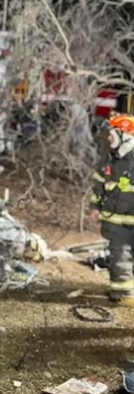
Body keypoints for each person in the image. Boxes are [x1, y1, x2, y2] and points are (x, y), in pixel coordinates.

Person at [90, 113, 134, 308]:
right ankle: (122, 293)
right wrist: (95, 206)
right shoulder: (109, 160)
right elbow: (98, 184)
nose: (109, 138)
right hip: (116, 224)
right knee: (119, 257)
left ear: (125, 134)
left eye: (113, 134)